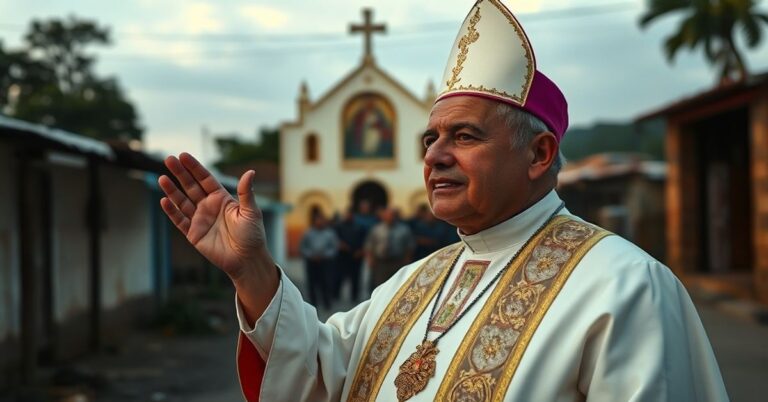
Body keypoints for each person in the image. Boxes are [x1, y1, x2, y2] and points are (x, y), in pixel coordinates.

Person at [157, 1, 728, 401]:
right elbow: (317, 377)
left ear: (538, 154)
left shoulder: (624, 287)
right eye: (430, 139)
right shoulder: (412, 284)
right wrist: (253, 271)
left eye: (465, 136)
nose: (434, 156)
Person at [364, 207, 416, 289]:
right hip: (381, 262)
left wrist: (407, 259)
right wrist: (370, 259)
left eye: (392, 215)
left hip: (397, 261)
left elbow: (409, 245)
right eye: (388, 215)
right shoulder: (377, 229)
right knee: (380, 286)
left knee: (396, 285)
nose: (390, 217)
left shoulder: (404, 229)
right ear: (383, 217)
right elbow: (370, 245)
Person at [299, 212, 339, 309]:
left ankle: (327, 303)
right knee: (312, 283)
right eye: (318, 220)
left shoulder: (330, 233)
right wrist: (311, 255)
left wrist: (324, 255)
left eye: (322, 220)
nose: (320, 222)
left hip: (326, 262)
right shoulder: (308, 233)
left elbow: (334, 248)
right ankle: (313, 304)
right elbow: (303, 247)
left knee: (326, 282)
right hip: (312, 262)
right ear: (314, 221)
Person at [334, 207, 366, 302]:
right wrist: (340, 244)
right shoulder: (338, 226)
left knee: (355, 278)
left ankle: (354, 296)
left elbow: (364, 240)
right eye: (346, 214)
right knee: (339, 276)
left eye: (350, 214)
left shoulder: (359, 227)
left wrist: (360, 250)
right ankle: (335, 295)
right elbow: (335, 238)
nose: (348, 216)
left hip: (356, 256)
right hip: (342, 256)